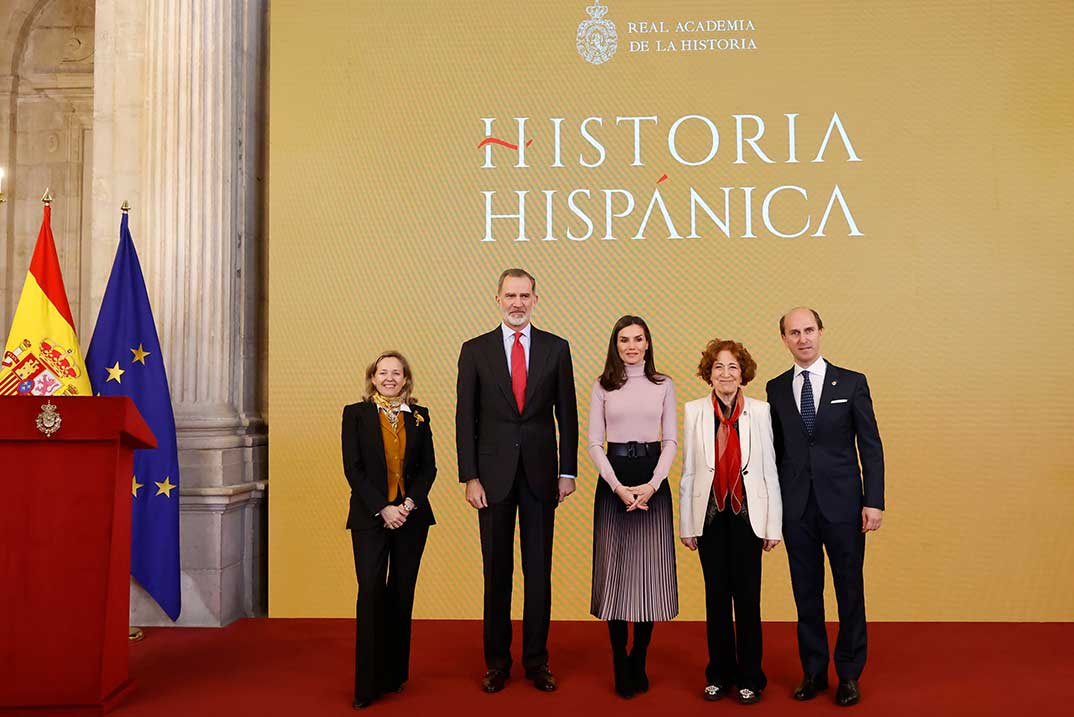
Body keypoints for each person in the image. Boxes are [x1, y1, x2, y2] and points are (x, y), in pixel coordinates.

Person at [455, 268, 579, 694]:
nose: (517, 303)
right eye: (510, 295)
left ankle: (537, 661)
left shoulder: (556, 348)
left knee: (539, 572)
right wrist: (469, 476)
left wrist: (568, 471)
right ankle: (496, 663)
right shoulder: (475, 350)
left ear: (536, 299)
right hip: (491, 479)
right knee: (496, 572)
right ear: (497, 299)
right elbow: (464, 418)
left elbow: (568, 414)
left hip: (543, 477)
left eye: (525, 295)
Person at [766, 308, 884, 707]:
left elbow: (870, 446)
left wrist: (874, 501)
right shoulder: (776, 388)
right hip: (797, 508)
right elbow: (775, 454)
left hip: (844, 506)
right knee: (806, 594)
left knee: (849, 591)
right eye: (794, 332)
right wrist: (772, 511)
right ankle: (814, 671)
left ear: (821, 332)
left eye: (809, 330)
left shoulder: (852, 382)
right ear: (784, 339)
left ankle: (849, 674)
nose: (803, 339)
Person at [680, 339, 783, 705]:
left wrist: (773, 526)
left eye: (733, 367)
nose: (725, 374)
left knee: (748, 599)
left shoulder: (760, 411)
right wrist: (687, 524)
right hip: (709, 516)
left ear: (744, 374)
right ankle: (718, 674)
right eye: (718, 367)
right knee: (716, 598)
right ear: (709, 374)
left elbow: (770, 469)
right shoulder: (694, 411)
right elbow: (689, 470)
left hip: (747, 516)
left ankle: (751, 677)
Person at [587, 316, 678, 699]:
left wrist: (653, 485)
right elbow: (594, 443)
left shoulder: (663, 384)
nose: (632, 346)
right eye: (624, 340)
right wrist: (618, 487)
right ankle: (618, 660)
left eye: (638, 339)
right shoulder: (603, 386)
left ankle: (639, 656)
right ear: (615, 344)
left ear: (647, 344)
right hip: (615, 482)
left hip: (652, 482)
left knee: (648, 577)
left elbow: (671, 439)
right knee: (616, 576)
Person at [341, 351, 437, 709]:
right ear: (373, 378)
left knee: (401, 594)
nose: (390, 378)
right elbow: (353, 469)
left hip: (412, 519)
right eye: (383, 372)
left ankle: (395, 674)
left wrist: (407, 506)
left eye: (396, 373)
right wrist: (384, 507)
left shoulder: (420, 417)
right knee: (370, 595)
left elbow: (429, 469)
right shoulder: (356, 414)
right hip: (370, 518)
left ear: (406, 379)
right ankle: (366, 686)